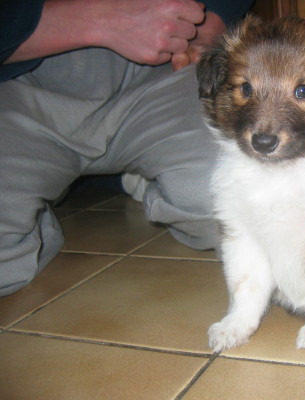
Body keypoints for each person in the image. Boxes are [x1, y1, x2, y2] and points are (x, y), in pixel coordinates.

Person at [0, 0, 254, 296]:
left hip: (169, 65)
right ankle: (117, 177)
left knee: (242, 208)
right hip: (17, 79)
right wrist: (91, 19)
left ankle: (132, 174)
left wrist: (215, 19)